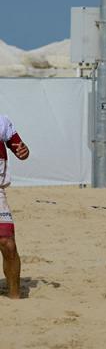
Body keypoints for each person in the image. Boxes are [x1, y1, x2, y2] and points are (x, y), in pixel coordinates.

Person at [0, 115, 29, 298]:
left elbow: (20, 149)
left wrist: (23, 151)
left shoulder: (2, 121)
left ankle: (15, 297)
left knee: (7, 243)